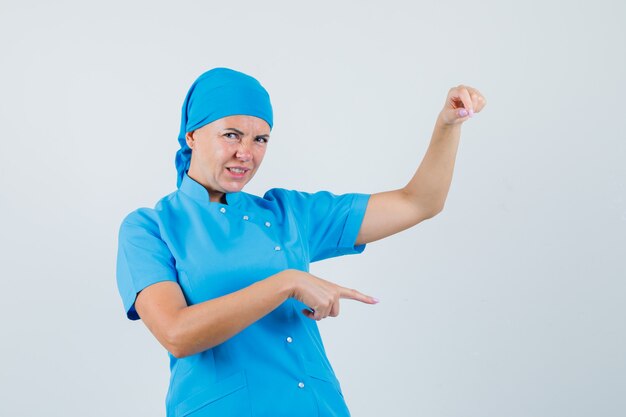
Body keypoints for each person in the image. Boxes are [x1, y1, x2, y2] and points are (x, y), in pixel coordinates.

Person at [116, 67, 486, 417]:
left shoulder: (288, 213)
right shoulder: (151, 227)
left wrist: (447, 126)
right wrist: (288, 282)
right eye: (231, 134)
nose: (246, 152)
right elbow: (176, 334)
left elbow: (418, 202)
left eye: (260, 139)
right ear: (192, 135)